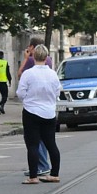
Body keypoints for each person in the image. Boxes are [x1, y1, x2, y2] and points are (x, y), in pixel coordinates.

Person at [16, 44, 61, 184]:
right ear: (47, 57)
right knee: (51, 144)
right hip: (49, 113)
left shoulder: (28, 74)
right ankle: (54, 174)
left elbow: (20, 93)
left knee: (33, 145)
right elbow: (58, 92)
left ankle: (33, 176)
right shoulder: (53, 74)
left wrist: (28, 99)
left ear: (33, 56)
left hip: (31, 112)